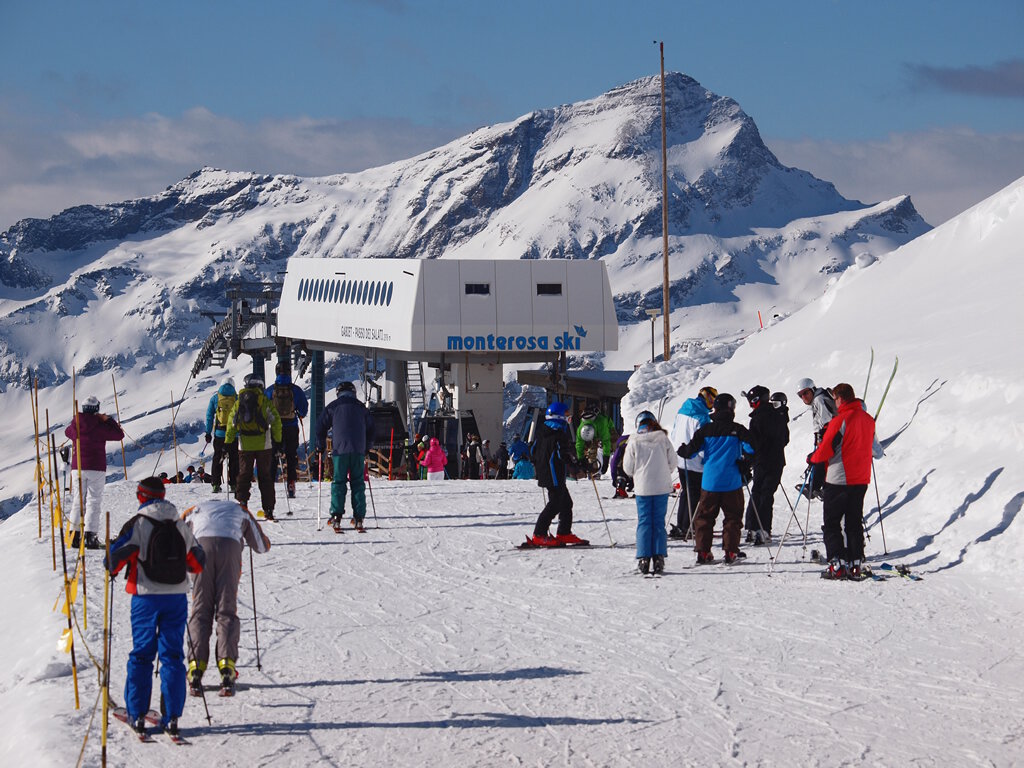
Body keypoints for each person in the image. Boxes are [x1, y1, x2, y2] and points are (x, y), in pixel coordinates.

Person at [104, 477, 205, 738]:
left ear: (141, 496)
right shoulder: (179, 524)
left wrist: (113, 567)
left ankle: (136, 714)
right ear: (162, 495)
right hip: (176, 598)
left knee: (141, 655)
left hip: (145, 597)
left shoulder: (138, 524)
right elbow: (197, 562)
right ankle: (172, 717)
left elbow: (113, 559)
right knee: (172, 656)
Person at [182, 497, 271, 697]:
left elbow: (177, 534)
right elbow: (262, 546)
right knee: (226, 610)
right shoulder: (240, 510)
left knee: (201, 609)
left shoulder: (195, 509)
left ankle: (196, 667)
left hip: (201, 547)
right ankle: (227, 667)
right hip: (229, 548)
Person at [809, 383, 884, 580]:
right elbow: (873, 447)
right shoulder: (868, 420)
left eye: (834, 399)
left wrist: (813, 458)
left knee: (832, 523)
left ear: (839, 398)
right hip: (861, 478)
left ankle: (837, 563)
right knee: (854, 521)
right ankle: (855, 562)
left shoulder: (840, 420)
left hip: (839, 478)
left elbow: (826, 449)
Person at [677, 393, 755, 564]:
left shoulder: (705, 430)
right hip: (732, 482)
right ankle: (730, 552)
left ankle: (704, 552)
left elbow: (690, 452)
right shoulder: (738, 429)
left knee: (705, 517)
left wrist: (683, 450)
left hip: (710, 482)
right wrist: (745, 463)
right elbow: (752, 448)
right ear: (731, 408)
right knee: (733, 518)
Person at [64, 395, 125, 550]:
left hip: (77, 468)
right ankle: (90, 537)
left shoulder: (75, 425)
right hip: (96, 467)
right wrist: (107, 419)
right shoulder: (100, 426)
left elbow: (67, 432)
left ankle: (74, 536)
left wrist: (77, 420)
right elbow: (119, 435)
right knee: (93, 501)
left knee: (78, 501)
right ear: (97, 409)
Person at [315, 381, 375, 532]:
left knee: (339, 482)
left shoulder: (333, 406)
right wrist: (367, 447)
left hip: (340, 450)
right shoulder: (362, 408)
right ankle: (359, 518)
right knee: (358, 482)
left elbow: (320, 426)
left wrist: (320, 446)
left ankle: (336, 517)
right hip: (358, 450)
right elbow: (372, 429)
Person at [623, 412, 675, 574]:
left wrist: (637, 475)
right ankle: (659, 556)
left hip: (643, 488)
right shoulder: (663, 439)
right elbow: (673, 462)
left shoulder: (633, 441)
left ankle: (644, 557)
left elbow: (627, 468)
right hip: (661, 487)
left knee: (644, 522)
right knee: (659, 522)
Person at [527, 402, 587, 546]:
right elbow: (563, 455)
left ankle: (564, 533)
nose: (569, 418)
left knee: (566, 503)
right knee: (555, 504)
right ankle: (539, 534)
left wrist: (538, 463)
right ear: (558, 416)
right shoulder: (559, 434)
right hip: (554, 474)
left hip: (547, 472)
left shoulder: (542, 431)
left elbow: (532, 450)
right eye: (566, 415)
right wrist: (576, 467)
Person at [225, 374, 282, 520]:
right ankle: (268, 509)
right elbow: (275, 421)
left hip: (244, 445)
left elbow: (231, 423)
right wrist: (277, 441)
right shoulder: (264, 401)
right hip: (264, 445)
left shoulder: (239, 403)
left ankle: (242, 504)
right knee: (265, 477)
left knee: (244, 475)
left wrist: (228, 442)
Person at [742, 385, 789, 545]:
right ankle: (763, 530)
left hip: (761, 461)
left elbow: (753, 443)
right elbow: (785, 439)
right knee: (766, 494)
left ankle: (752, 528)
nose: (752, 405)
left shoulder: (756, 419)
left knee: (757, 492)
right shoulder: (779, 416)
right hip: (776, 461)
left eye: (753, 401)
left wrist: (747, 459)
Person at [668, 386, 717, 540]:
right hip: (695, 461)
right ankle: (688, 526)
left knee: (686, 492)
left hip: (681, 458)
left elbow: (675, 432)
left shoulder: (683, 410)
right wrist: (706, 459)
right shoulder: (702, 418)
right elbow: (703, 442)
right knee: (695, 495)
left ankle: (682, 525)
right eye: (712, 400)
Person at [265, 362, 309, 499]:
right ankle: (291, 485)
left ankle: (270, 485)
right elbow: (303, 409)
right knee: (291, 456)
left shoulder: (271, 390)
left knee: (273, 456)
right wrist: (298, 414)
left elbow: (264, 408)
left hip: (275, 428)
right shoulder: (295, 390)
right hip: (291, 427)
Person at [795, 378, 837, 499]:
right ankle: (818, 487)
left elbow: (826, 422)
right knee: (821, 459)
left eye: (805, 393)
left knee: (820, 459)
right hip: (828, 435)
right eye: (800, 395)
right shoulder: (817, 399)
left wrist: (821, 436)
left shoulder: (819, 400)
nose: (804, 397)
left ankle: (817, 487)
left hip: (831, 436)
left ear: (813, 389)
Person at [205, 378, 239, 494]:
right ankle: (234, 484)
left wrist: (208, 432)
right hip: (233, 434)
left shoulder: (215, 398)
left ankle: (215, 484)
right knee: (234, 459)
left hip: (219, 434)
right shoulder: (236, 397)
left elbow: (209, 416)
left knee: (217, 458)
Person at [575, 404, 615, 474]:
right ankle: (593, 470)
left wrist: (606, 459)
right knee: (591, 451)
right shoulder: (580, 430)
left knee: (615, 444)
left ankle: (618, 466)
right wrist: (581, 460)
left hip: (607, 428)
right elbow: (579, 445)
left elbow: (606, 442)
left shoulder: (602, 423)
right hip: (595, 430)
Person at [609, 434, 633, 498]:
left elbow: (613, 463)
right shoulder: (621, 448)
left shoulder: (621, 448)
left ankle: (620, 488)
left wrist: (614, 478)